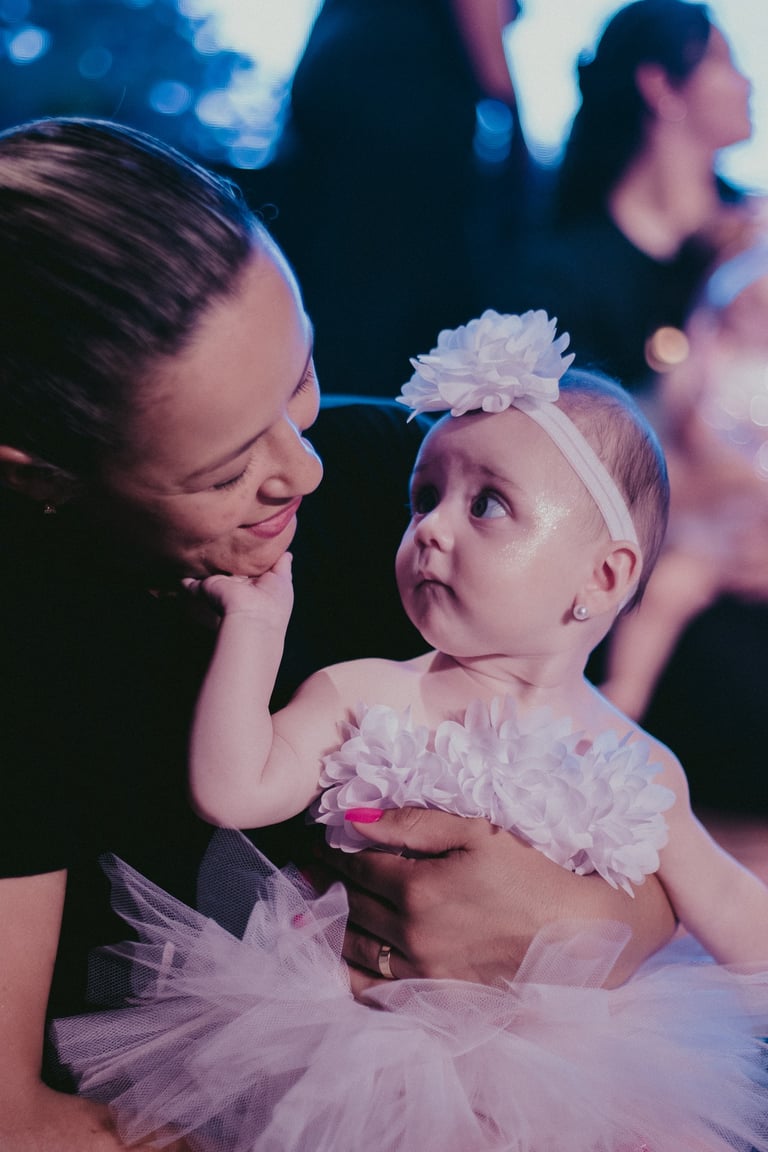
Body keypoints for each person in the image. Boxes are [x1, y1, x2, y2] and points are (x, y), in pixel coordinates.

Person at [0, 119, 673, 1152]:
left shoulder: (397, 491)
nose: (303, 469)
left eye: (301, 377)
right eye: (227, 469)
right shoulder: (27, 644)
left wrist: (596, 927)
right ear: (41, 475)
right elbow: (20, 1119)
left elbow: (638, 812)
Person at [54, 312, 768, 1152]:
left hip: (568, 1087)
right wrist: (254, 628)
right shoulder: (366, 692)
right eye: (424, 497)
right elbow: (231, 791)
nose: (430, 527)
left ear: (603, 576)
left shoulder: (638, 766)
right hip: (360, 1058)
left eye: (487, 504)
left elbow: (733, 909)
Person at [267, 0, 532, 397]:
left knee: (338, 274)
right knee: (390, 288)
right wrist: (515, 120)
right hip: (399, 93)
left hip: (338, 77)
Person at [498, 0, 755, 393]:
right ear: (660, 85)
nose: (746, 83)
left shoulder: (756, 232)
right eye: (721, 61)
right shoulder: (564, 277)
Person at [602, 225, 768, 812]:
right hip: (702, 539)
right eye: (747, 307)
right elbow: (690, 442)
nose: (758, 319)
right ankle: (624, 695)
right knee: (668, 591)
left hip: (750, 535)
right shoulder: (703, 374)